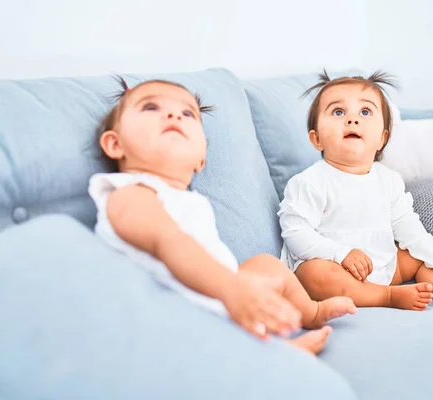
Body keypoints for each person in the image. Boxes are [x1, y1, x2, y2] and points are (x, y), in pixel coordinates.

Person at [88, 77, 356, 354]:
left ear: (201, 158)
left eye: (187, 113)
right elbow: (167, 240)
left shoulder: (188, 201)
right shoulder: (128, 193)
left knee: (266, 265)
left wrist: (236, 287)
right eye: (150, 108)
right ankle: (270, 356)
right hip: (171, 311)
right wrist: (231, 288)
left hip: (218, 293)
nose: (173, 115)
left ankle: (310, 313)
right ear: (114, 144)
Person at [279, 70, 433, 311]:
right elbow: (296, 233)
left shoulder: (388, 180)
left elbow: (405, 223)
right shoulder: (309, 182)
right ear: (316, 139)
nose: (352, 119)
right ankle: (386, 296)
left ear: (382, 138)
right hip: (336, 268)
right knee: (313, 272)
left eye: (365, 111)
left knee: (418, 255)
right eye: (338, 111)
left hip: (384, 266)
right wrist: (340, 254)